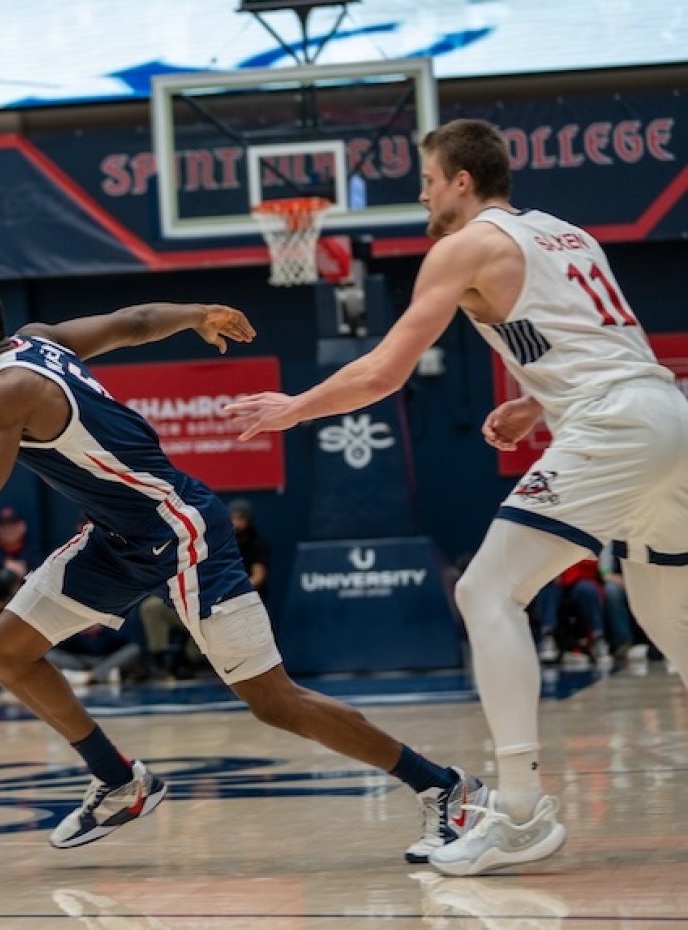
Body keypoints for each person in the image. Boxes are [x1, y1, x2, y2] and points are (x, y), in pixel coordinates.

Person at [0, 274, 481, 861]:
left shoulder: (3, 394)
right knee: (4, 650)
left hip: (181, 531)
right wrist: (196, 314)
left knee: (275, 703)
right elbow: (132, 324)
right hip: (121, 538)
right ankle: (118, 779)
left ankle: (444, 786)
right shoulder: (39, 340)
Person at [226, 118, 688, 876]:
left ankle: (518, 814)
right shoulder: (566, 235)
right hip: (667, 417)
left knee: (485, 592)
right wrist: (536, 403)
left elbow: (382, 373)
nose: (422, 193)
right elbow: (606, 343)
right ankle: (517, 810)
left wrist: (293, 408)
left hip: (615, 429)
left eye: (428, 180)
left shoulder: (462, 246)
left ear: (461, 183)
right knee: (672, 622)